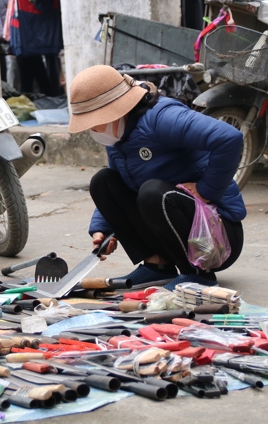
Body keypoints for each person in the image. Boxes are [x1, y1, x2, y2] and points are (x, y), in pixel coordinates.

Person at [68, 65, 246, 289]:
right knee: (102, 181)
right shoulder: (117, 137)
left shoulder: (163, 117)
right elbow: (118, 181)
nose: (92, 130)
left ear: (115, 110)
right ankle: (157, 266)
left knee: (152, 192)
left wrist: (206, 189)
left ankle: (198, 273)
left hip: (218, 236)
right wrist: (102, 229)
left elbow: (229, 138)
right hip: (172, 222)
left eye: (94, 121)